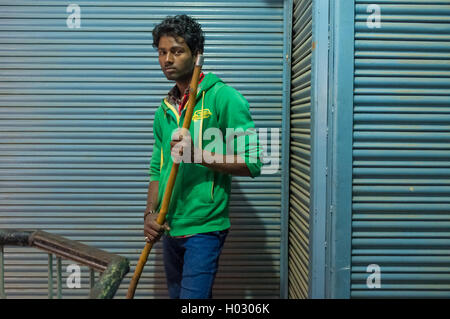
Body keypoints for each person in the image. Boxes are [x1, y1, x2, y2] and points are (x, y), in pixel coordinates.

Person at [143, 14, 262, 299]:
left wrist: (198, 154)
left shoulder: (225, 98)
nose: (167, 59)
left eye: (176, 51)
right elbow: (157, 170)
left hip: (205, 228)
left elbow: (254, 162)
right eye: (162, 52)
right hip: (169, 226)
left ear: (197, 55)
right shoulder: (165, 110)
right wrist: (150, 214)